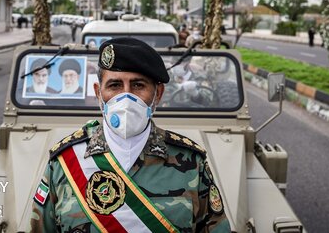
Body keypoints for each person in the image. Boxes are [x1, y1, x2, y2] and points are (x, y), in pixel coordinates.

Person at [27, 37, 230, 232]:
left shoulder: (192, 162)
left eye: (138, 85)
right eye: (115, 85)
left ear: (157, 94)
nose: (126, 97)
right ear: (98, 93)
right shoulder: (63, 163)